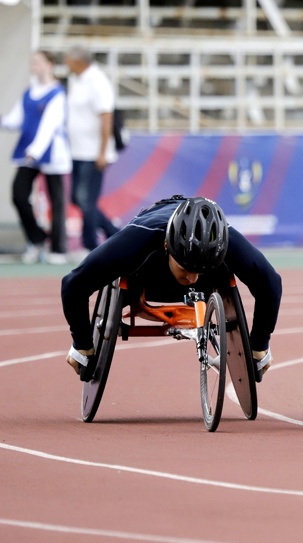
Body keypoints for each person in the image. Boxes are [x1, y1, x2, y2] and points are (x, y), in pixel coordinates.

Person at [61, 195, 282, 379]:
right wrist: (82, 344)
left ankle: (198, 267)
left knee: (226, 273)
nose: (193, 278)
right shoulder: (137, 238)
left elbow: (271, 283)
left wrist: (259, 345)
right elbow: (72, 284)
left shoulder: (227, 241)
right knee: (125, 269)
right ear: (167, 245)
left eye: (200, 271)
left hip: (210, 275)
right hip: (146, 271)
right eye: (185, 268)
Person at [1, 50, 71, 265]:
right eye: (32, 62)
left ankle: (58, 249)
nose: (34, 66)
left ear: (50, 64)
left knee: (56, 201)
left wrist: (36, 150)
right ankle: (37, 238)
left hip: (50, 154)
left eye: (38, 62)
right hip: (28, 153)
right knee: (19, 195)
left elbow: (49, 126)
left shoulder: (57, 94)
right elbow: (16, 119)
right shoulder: (29, 92)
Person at [64, 45, 121, 252]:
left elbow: (106, 117)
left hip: (93, 152)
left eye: (68, 58)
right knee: (78, 198)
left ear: (79, 61)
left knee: (87, 200)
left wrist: (102, 151)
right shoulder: (75, 80)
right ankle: (114, 233)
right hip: (77, 150)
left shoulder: (97, 81)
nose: (65, 63)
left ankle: (90, 244)